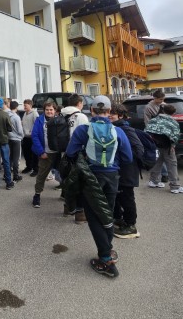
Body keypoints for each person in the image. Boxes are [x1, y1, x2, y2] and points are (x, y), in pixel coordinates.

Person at [65, 95, 133, 278]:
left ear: (92, 111)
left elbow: (70, 152)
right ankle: (108, 249)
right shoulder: (118, 131)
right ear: (109, 111)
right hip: (112, 176)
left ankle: (105, 259)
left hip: (91, 177)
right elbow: (128, 158)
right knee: (107, 213)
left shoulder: (83, 130)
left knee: (94, 216)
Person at [109, 103, 144, 239]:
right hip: (120, 170)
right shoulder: (115, 128)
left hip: (127, 170)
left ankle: (131, 226)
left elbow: (139, 150)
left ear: (120, 115)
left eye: (113, 113)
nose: (110, 115)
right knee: (118, 196)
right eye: (109, 113)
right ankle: (119, 219)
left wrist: (124, 156)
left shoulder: (125, 129)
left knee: (127, 197)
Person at [59, 94, 90, 223]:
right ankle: (80, 213)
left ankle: (67, 208)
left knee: (68, 180)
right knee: (80, 183)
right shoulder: (81, 116)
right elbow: (86, 135)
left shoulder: (61, 114)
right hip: (78, 153)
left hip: (64, 152)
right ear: (79, 103)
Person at [146, 104, 183, 194]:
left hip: (155, 144)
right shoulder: (173, 122)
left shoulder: (153, 120)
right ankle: (175, 186)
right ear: (173, 113)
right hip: (167, 145)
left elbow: (147, 131)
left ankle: (153, 181)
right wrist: (173, 145)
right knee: (172, 164)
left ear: (163, 110)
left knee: (158, 162)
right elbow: (175, 136)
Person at [30, 101, 59, 207]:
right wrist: (41, 152)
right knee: (41, 175)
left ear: (55, 110)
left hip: (58, 153)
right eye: (47, 109)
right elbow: (35, 136)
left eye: (51, 109)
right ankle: (37, 195)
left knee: (64, 175)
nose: (49, 111)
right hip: (45, 153)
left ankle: (65, 194)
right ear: (44, 110)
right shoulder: (39, 120)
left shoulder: (60, 120)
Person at [144, 89, 168, 182]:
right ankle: (163, 174)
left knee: (165, 154)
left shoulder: (165, 105)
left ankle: (164, 174)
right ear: (155, 98)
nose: (162, 101)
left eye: (163, 99)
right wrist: (150, 133)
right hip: (154, 133)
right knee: (157, 155)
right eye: (160, 99)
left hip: (164, 133)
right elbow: (147, 121)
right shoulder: (148, 107)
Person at [21, 99, 39, 176]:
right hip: (25, 137)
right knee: (26, 153)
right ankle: (29, 167)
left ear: (30, 105)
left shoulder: (34, 114)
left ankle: (36, 169)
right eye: (24, 105)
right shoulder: (25, 114)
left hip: (32, 137)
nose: (24, 107)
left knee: (34, 155)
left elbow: (37, 125)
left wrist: (33, 133)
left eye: (26, 105)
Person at [7, 100, 24, 182]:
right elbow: (20, 130)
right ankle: (15, 176)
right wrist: (22, 136)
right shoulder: (16, 117)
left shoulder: (7, 115)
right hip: (16, 139)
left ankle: (7, 174)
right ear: (16, 107)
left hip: (9, 138)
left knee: (10, 157)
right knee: (16, 159)